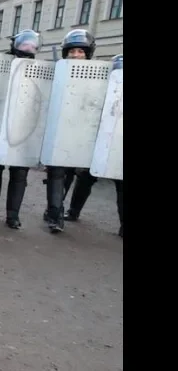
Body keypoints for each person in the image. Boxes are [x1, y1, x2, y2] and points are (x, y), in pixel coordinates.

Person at [0, 29, 41, 229]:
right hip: (0, 124)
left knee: (19, 174)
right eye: (25, 44)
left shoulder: (39, 67)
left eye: (32, 45)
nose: (28, 48)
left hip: (23, 126)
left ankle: (12, 214)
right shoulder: (1, 63)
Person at [63, 53, 124, 237]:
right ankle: (73, 211)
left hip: (118, 143)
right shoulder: (102, 87)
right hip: (97, 140)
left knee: (121, 185)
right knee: (85, 178)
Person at [43, 29, 97, 234]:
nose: (76, 55)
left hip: (85, 132)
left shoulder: (98, 73)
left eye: (80, 52)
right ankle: (55, 215)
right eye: (72, 51)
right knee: (57, 173)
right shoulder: (57, 71)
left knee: (83, 175)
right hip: (59, 130)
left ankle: (72, 211)